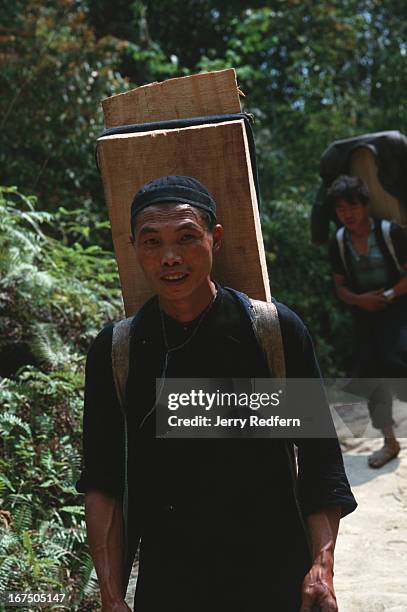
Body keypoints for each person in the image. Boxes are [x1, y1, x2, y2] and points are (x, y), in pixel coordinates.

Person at [76, 175, 356, 612]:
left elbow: (320, 463)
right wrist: (110, 594)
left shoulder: (271, 333)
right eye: (152, 242)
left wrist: (322, 567)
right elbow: (103, 481)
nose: (170, 257)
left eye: (187, 237)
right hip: (172, 583)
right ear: (133, 247)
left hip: (275, 577)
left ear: (215, 238)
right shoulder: (120, 351)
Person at [328, 174, 407, 468]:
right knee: (371, 375)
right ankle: (389, 441)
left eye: (352, 207)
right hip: (364, 315)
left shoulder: (390, 233)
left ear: (365, 206)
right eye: (340, 209)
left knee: (398, 360)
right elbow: (339, 287)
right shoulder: (338, 243)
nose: (347, 214)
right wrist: (360, 300)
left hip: (397, 308)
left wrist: (386, 295)